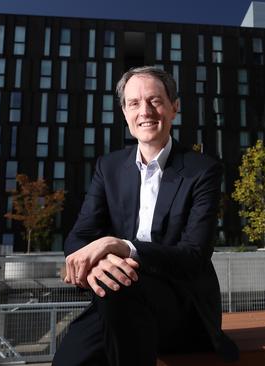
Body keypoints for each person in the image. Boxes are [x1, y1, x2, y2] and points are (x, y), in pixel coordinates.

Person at [53, 66, 238, 366]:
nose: (145, 111)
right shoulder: (108, 167)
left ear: (174, 107)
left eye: (155, 100)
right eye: (134, 103)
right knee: (68, 361)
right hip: (115, 296)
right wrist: (99, 261)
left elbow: (194, 255)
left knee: (121, 287)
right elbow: (78, 237)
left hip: (181, 306)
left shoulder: (202, 170)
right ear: (125, 113)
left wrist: (122, 247)